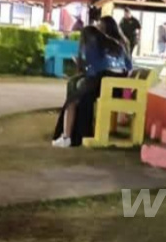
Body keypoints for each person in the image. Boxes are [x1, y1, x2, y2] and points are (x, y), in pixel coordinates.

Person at [51, 15, 132, 148]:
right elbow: (128, 69)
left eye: (100, 27)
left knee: (74, 99)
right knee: (76, 87)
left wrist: (81, 65)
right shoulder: (119, 45)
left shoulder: (97, 44)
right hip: (117, 84)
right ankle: (78, 134)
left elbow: (94, 70)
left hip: (104, 83)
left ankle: (67, 136)